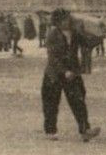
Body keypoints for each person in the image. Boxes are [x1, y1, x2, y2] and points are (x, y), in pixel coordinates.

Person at [42, 9, 100, 142]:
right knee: (51, 103)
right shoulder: (52, 34)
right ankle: (50, 131)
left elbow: (89, 43)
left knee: (78, 100)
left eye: (68, 18)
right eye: (65, 19)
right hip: (54, 74)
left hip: (72, 73)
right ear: (58, 22)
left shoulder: (75, 33)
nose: (68, 20)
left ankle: (85, 130)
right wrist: (64, 71)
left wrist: (99, 33)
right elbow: (53, 58)